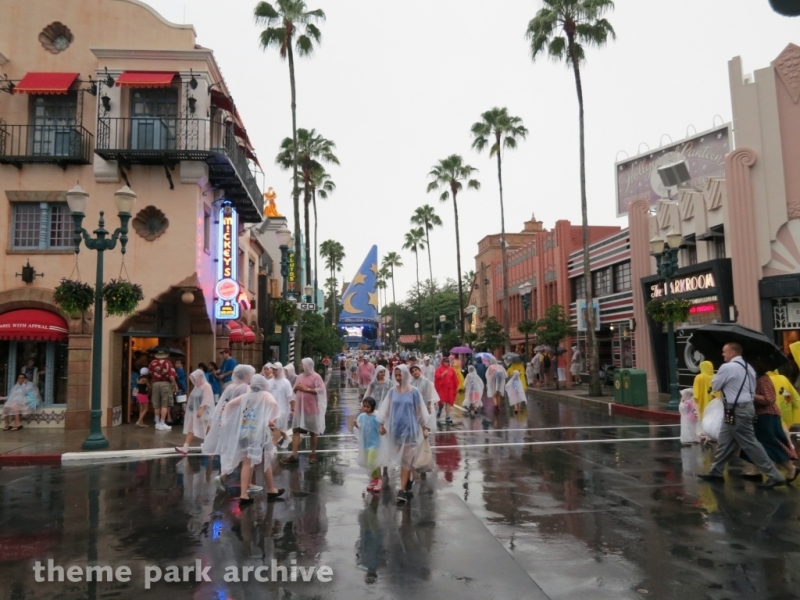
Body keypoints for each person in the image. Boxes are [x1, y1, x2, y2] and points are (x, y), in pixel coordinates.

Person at [698, 343, 786, 489]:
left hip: (736, 409)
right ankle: (716, 471)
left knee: (750, 443)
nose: (722, 354)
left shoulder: (727, 368)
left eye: (724, 351)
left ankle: (774, 475)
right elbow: (750, 390)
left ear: (733, 353)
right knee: (725, 440)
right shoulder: (749, 368)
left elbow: (715, 386)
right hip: (743, 408)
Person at [217, 374, 280, 504]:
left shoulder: (246, 396)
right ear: (263, 385)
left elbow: (229, 405)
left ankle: (267, 489)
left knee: (250, 462)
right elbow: (274, 404)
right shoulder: (265, 395)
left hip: (244, 431)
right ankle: (247, 493)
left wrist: (225, 420)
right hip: (258, 433)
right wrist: (270, 419)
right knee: (264, 458)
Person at [377, 365, 431, 506]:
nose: (398, 378)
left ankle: (401, 490)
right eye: (396, 375)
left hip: (410, 430)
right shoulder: (392, 392)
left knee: (406, 459)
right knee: (402, 458)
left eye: (400, 375)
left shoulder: (414, 392)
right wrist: (382, 424)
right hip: (396, 430)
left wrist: (424, 427)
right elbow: (387, 410)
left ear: (406, 375)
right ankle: (406, 481)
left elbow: (419, 411)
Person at [201, 364, 255, 492]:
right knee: (246, 454)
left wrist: (221, 420)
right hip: (241, 425)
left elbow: (222, 404)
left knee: (230, 451)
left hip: (227, 423)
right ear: (246, 375)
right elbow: (248, 406)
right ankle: (243, 483)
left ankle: (225, 476)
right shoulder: (246, 388)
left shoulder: (229, 386)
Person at [739, 367, 798, 482]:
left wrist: (750, 395)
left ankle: (791, 469)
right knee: (757, 443)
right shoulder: (755, 379)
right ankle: (756, 470)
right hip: (760, 416)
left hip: (768, 416)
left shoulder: (763, 380)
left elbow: (769, 399)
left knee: (771, 443)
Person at [281, 358, 327, 466]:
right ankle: (294, 454)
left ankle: (313, 453)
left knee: (313, 431)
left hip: (311, 409)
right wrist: (296, 388)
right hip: (299, 410)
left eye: (302, 364)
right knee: (296, 431)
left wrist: (308, 389)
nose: (301, 366)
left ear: (308, 365)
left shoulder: (316, 377)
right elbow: (294, 391)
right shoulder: (300, 377)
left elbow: (322, 390)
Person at [176, 369, 214, 454]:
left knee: (207, 428)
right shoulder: (197, 387)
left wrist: (201, 409)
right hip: (195, 412)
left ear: (200, 377)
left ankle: (210, 444)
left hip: (203, 412)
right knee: (193, 427)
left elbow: (207, 398)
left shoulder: (206, 386)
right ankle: (186, 446)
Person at [354, 397, 385, 493]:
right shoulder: (362, 416)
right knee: (369, 462)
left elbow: (380, 429)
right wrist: (357, 425)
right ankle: (373, 479)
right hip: (366, 444)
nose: (366, 408)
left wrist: (381, 430)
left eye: (368, 407)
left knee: (372, 461)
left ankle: (378, 480)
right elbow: (361, 428)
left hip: (375, 444)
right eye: (364, 406)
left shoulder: (376, 417)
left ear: (372, 407)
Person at [148, 350, 178, 431]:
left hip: (155, 384)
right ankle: (162, 423)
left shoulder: (152, 363)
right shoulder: (167, 363)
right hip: (165, 384)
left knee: (156, 405)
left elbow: (150, 373)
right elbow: (171, 376)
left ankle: (157, 423)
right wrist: (175, 384)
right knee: (165, 404)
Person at [267, 362, 294, 449]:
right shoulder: (269, 382)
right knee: (272, 426)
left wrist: (292, 410)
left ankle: (273, 445)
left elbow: (290, 397)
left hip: (282, 409)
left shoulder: (285, 383)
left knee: (277, 427)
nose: (273, 371)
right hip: (271, 408)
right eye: (273, 369)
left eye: (275, 369)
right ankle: (286, 437)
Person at [434, 356, 458, 426]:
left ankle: (447, 416)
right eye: (445, 361)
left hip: (450, 388)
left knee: (448, 401)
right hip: (442, 388)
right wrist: (442, 374)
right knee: (441, 402)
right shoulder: (439, 369)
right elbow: (436, 377)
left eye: (448, 362)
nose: (447, 363)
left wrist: (456, 387)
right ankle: (440, 410)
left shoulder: (451, 369)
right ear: (443, 362)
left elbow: (454, 379)